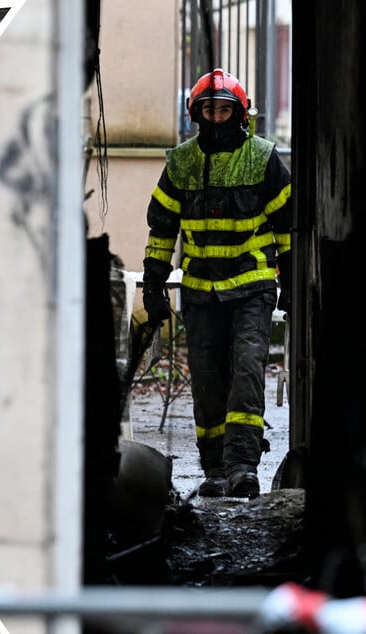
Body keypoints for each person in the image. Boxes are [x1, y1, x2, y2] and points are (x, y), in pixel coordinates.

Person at [142, 68, 292, 499]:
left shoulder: (263, 158)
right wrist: (153, 285)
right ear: (196, 114)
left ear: (239, 114)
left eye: (224, 109)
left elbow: (286, 225)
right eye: (209, 109)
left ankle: (243, 466)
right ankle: (214, 469)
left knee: (246, 372)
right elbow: (162, 230)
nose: (216, 116)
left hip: (253, 288)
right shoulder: (182, 163)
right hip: (201, 292)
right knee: (208, 381)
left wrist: (290, 278)